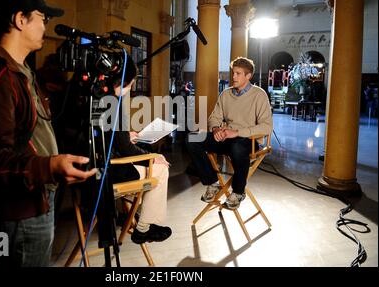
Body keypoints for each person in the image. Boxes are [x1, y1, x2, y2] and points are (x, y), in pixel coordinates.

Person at [0, 0, 96, 267]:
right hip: (19, 214)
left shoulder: (20, 72)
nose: (45, 26)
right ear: (20, 19)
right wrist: (48, 166)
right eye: (42, 19)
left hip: (36, 203)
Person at [186, 57, 273, 209]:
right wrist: (216, 129)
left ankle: (238, 192)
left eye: (238, 74)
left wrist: (237, 132)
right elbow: (214, 118)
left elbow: (267, 127)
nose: (233, 77)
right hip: (226, 138)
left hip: (249, 141)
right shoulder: (226, 94)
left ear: (248, 76)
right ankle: (212, 183)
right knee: (192, 138)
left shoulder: (259, 95)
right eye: (233, 73)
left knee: (237, 147)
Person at [102, 55, 172, 244]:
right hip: (108, 171)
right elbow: (125, 150)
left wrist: (127, 135)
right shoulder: (113, 104)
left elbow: (111, 138)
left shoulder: (98, 96)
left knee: (151, 160)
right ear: (121, 81)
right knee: (160, 168)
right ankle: (144, 228)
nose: (131, 88)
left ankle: (134, 214)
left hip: (94, 165)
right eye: (130, 84)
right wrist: (151, 156)